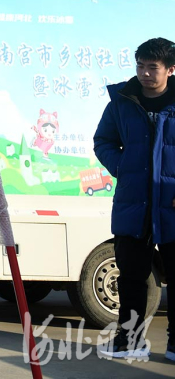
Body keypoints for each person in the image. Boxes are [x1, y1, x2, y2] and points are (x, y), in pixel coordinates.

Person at [94, 37, 175, 360]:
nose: (144, 74)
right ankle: (130, 340)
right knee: (131, 278)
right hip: (133, 204)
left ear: (170, 69)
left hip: (171, 206)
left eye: (152, 68)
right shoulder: (121, 103)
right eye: (140, 66)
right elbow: (103, 141)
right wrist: (123, 167)